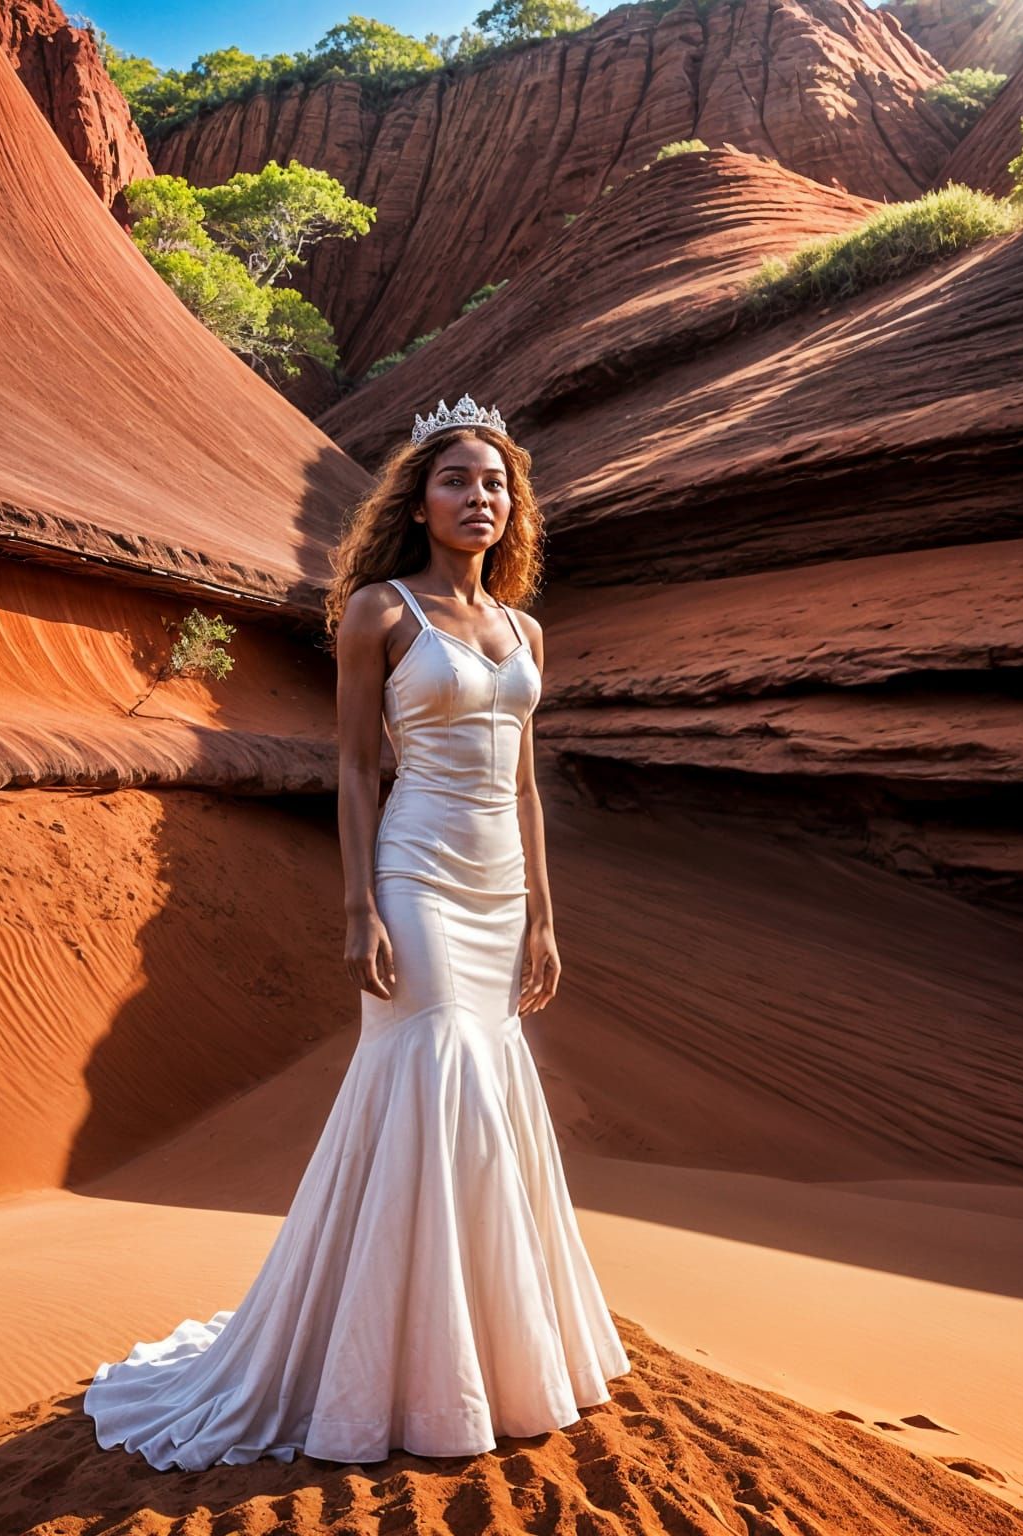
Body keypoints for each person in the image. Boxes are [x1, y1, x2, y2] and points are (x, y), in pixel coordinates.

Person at [84, 394, 630, 1471]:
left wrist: (545, 921)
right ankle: (391, 1361)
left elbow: (524, 784)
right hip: (416, 871)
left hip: (500, 883)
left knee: (488, 1082)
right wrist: (357, 906)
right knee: (437, 1072)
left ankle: (485, 1341)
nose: (481, 498)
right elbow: (349, 765)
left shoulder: (525, 631)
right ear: (419, 504)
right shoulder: (379, 613)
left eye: (496, 484)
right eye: (458, 481)